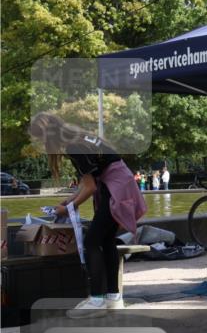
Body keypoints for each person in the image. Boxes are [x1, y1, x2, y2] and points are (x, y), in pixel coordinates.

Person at [29, 113, 147, 318]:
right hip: (120, 183)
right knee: (107, 241)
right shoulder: (79, 136)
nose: (42, 144)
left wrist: (69, 208)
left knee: (91, 241)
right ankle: (113, 298)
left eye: (40, 139)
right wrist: (69, 201)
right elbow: (88, 183)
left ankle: (97, 300)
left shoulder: (73, 147)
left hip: (115, 188)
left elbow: (90, 187)